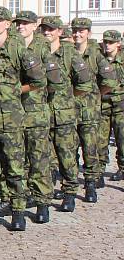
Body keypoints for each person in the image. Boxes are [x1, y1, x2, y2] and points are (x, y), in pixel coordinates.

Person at [0, 6, 45, 232]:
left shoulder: (20, 50)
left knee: (14, 167)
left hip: (11, 119)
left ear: (7, 24)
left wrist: (16, 89)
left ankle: (18, 210)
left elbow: (38, 80)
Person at [39, 16, 92, 212]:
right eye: (44, 29)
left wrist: (69, 99)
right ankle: (44, 194)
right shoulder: (37, 51)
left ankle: (70, 192)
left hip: (64, 116)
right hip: (42, 114)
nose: (47, 32)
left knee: (67, 156)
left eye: (51, 29)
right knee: (44, 158)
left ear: (60, 32)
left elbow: (84, 83)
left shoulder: (69, 53)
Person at [72, 17, 116, 202]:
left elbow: (111, 81)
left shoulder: (96, 55)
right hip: (70, 110)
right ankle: (71, 187)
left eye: (81, 31)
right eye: (75, 30)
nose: (77, 34)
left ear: (88, 33)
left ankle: (90, 184)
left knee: (90, 150)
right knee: (70, 150)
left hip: (90, 111)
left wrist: (96, 93)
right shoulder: (68, 52)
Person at [15, 11, 53, 223]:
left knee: (39, 159)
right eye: (18, 23)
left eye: (25, 24)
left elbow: (48, 80)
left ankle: (42, 202)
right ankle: (19, 199)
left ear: (34, 25)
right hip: (14, 113)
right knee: (17, 161)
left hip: (36, 111)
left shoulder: (42, 49)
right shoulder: (13, 46)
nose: (21, 27)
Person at [99, 30, 124, 181]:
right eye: (105, 42)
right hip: (103, 104)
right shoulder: (99, 59)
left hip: (121, 104)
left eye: (110, 42)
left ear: (118, 44)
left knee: (121, 139)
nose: (107, 45)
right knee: (100, 140)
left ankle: (122, 168)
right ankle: (99, 171)